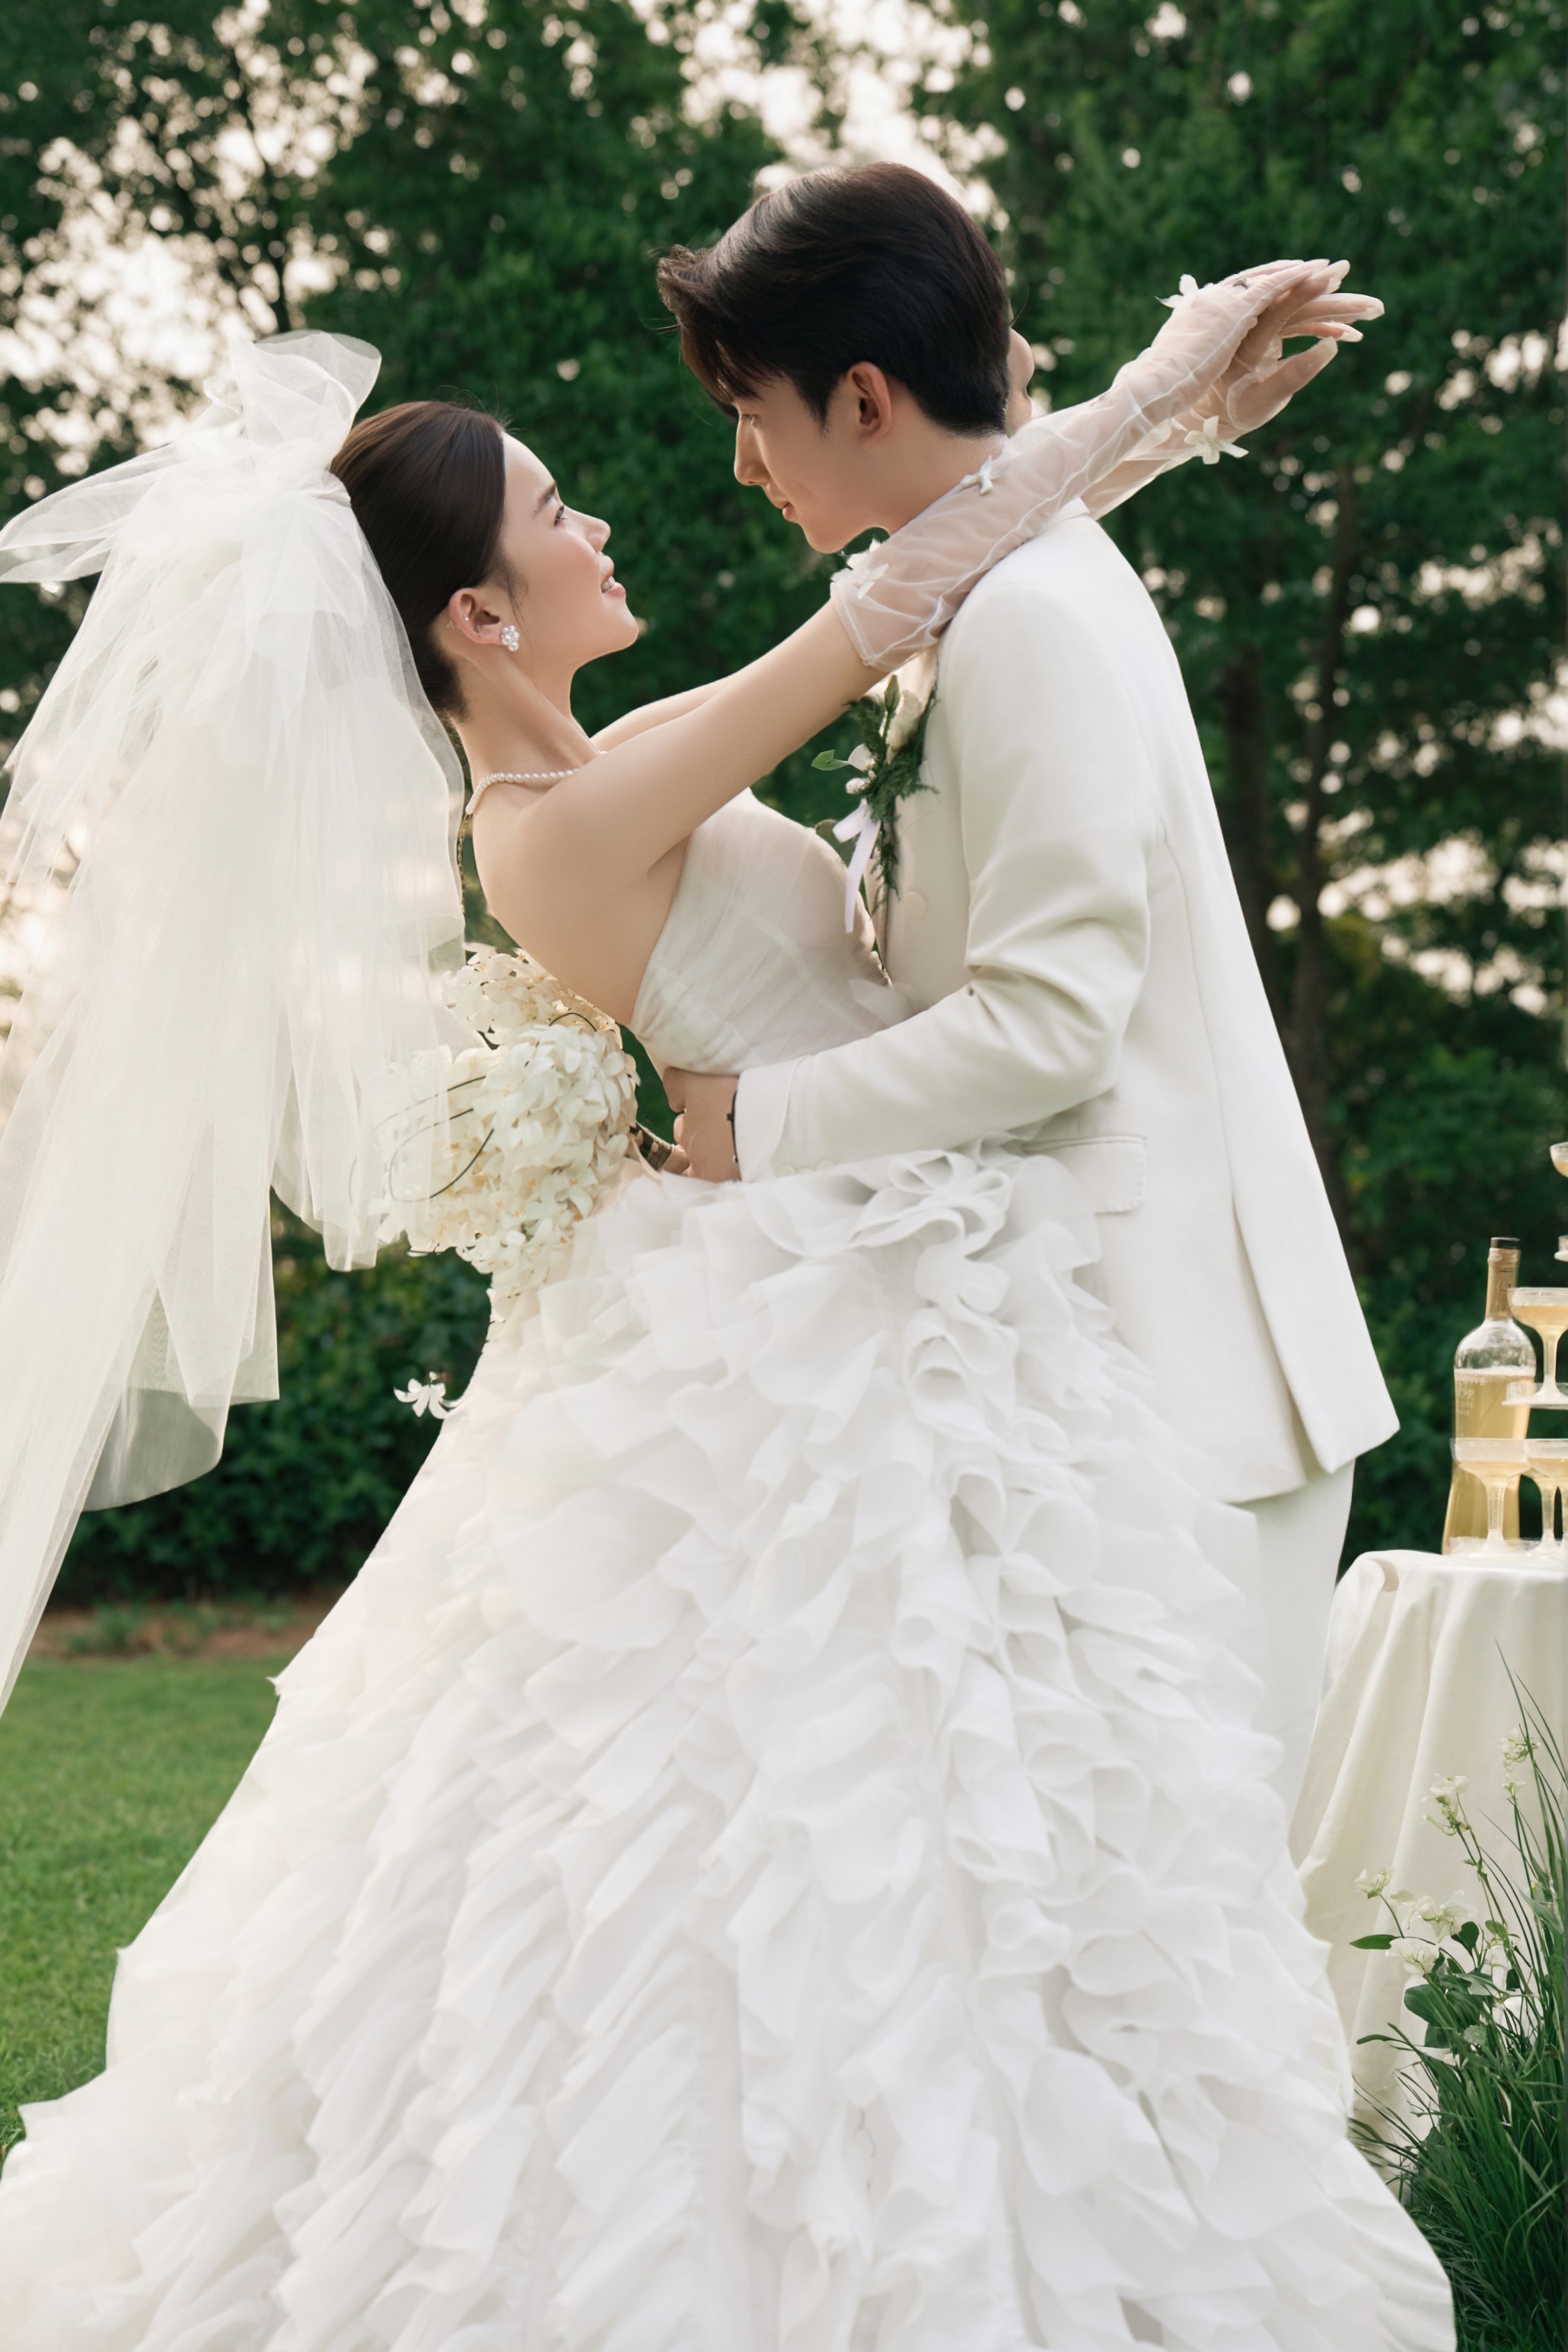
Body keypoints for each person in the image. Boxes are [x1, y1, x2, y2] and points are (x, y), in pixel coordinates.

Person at [0, 266, 1453, 2342]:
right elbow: (895, 596)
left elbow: (941, 581)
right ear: (477, 614)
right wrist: (1140, 381)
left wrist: (1173, 425)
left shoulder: (627, 755)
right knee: (813, 1807)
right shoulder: (554, 834)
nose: (599, 520)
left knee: (931, 1807)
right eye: (555, 511)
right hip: (818, 1308)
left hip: (888, 1286)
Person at [658, 164, 1394, 1812]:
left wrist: (753, 1126)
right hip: (1091, 1376)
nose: (742, 463)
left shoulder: (1027, 623)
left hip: (1184, 1380)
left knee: (1177, 1911)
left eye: (752, 413)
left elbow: (1051, 1025)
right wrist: (1168, 423)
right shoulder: (999, 586)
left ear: (861, 397)